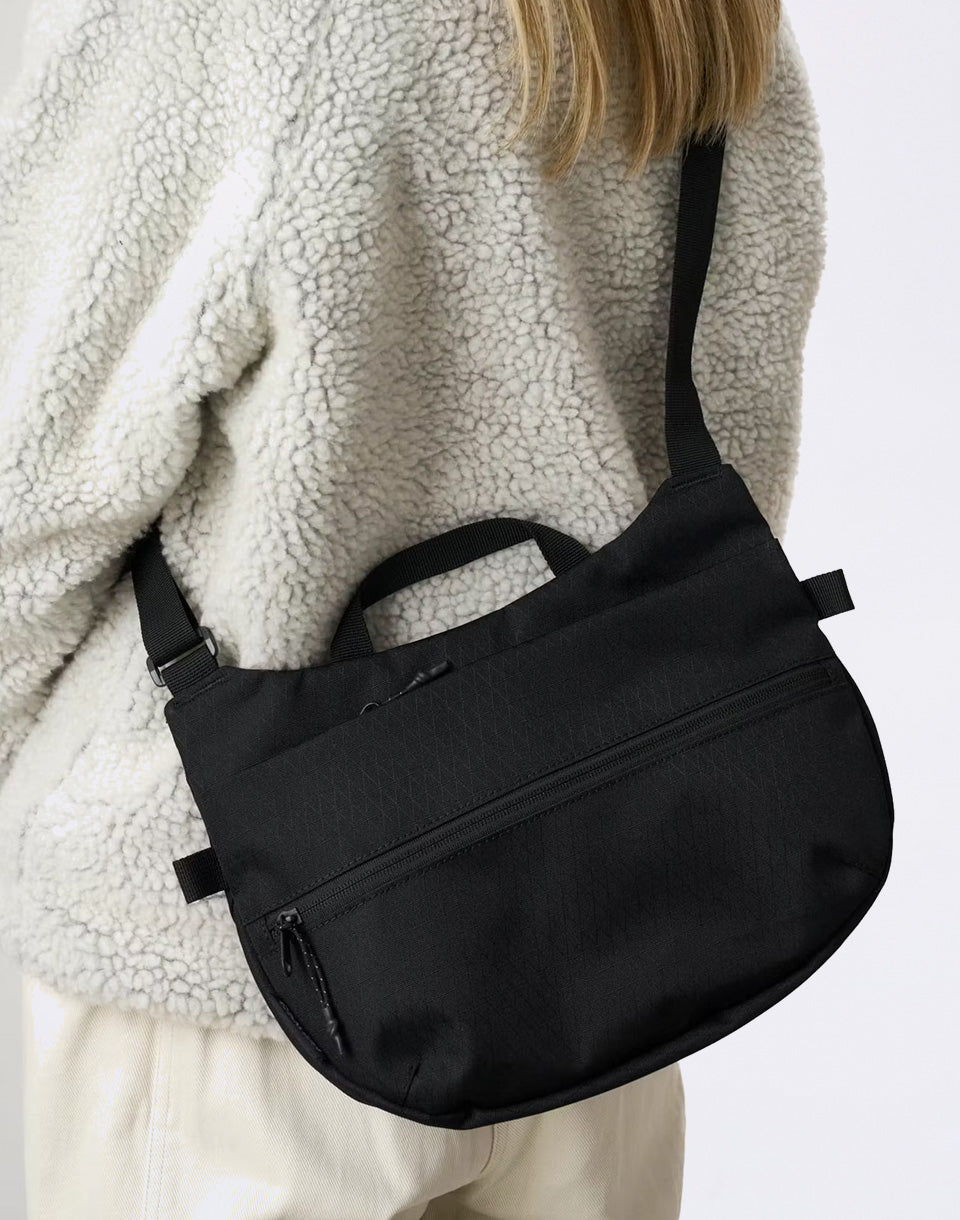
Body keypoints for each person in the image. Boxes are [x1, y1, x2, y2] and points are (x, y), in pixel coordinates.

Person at [0, 1, 825, 1215]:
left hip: (251, 960)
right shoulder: (702, 20)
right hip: (597, 931)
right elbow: (731, 447)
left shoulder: (231, 26)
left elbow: (27, 483)